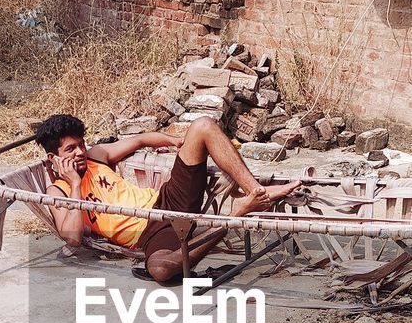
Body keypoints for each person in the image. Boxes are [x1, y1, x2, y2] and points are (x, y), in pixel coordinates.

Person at [35, 113, 300, 284]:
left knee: (203, 126)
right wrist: (74, 183)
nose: (80, 152)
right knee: (161, 270)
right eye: (71, 149)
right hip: (149, 235)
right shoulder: (58, 192)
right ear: (53, 158)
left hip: (168, 201)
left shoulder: (96, 155)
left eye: (81, 144)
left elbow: (139, 140)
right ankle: (238, 214)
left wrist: (176, 141)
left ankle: (256, 191)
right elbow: (72, 237)